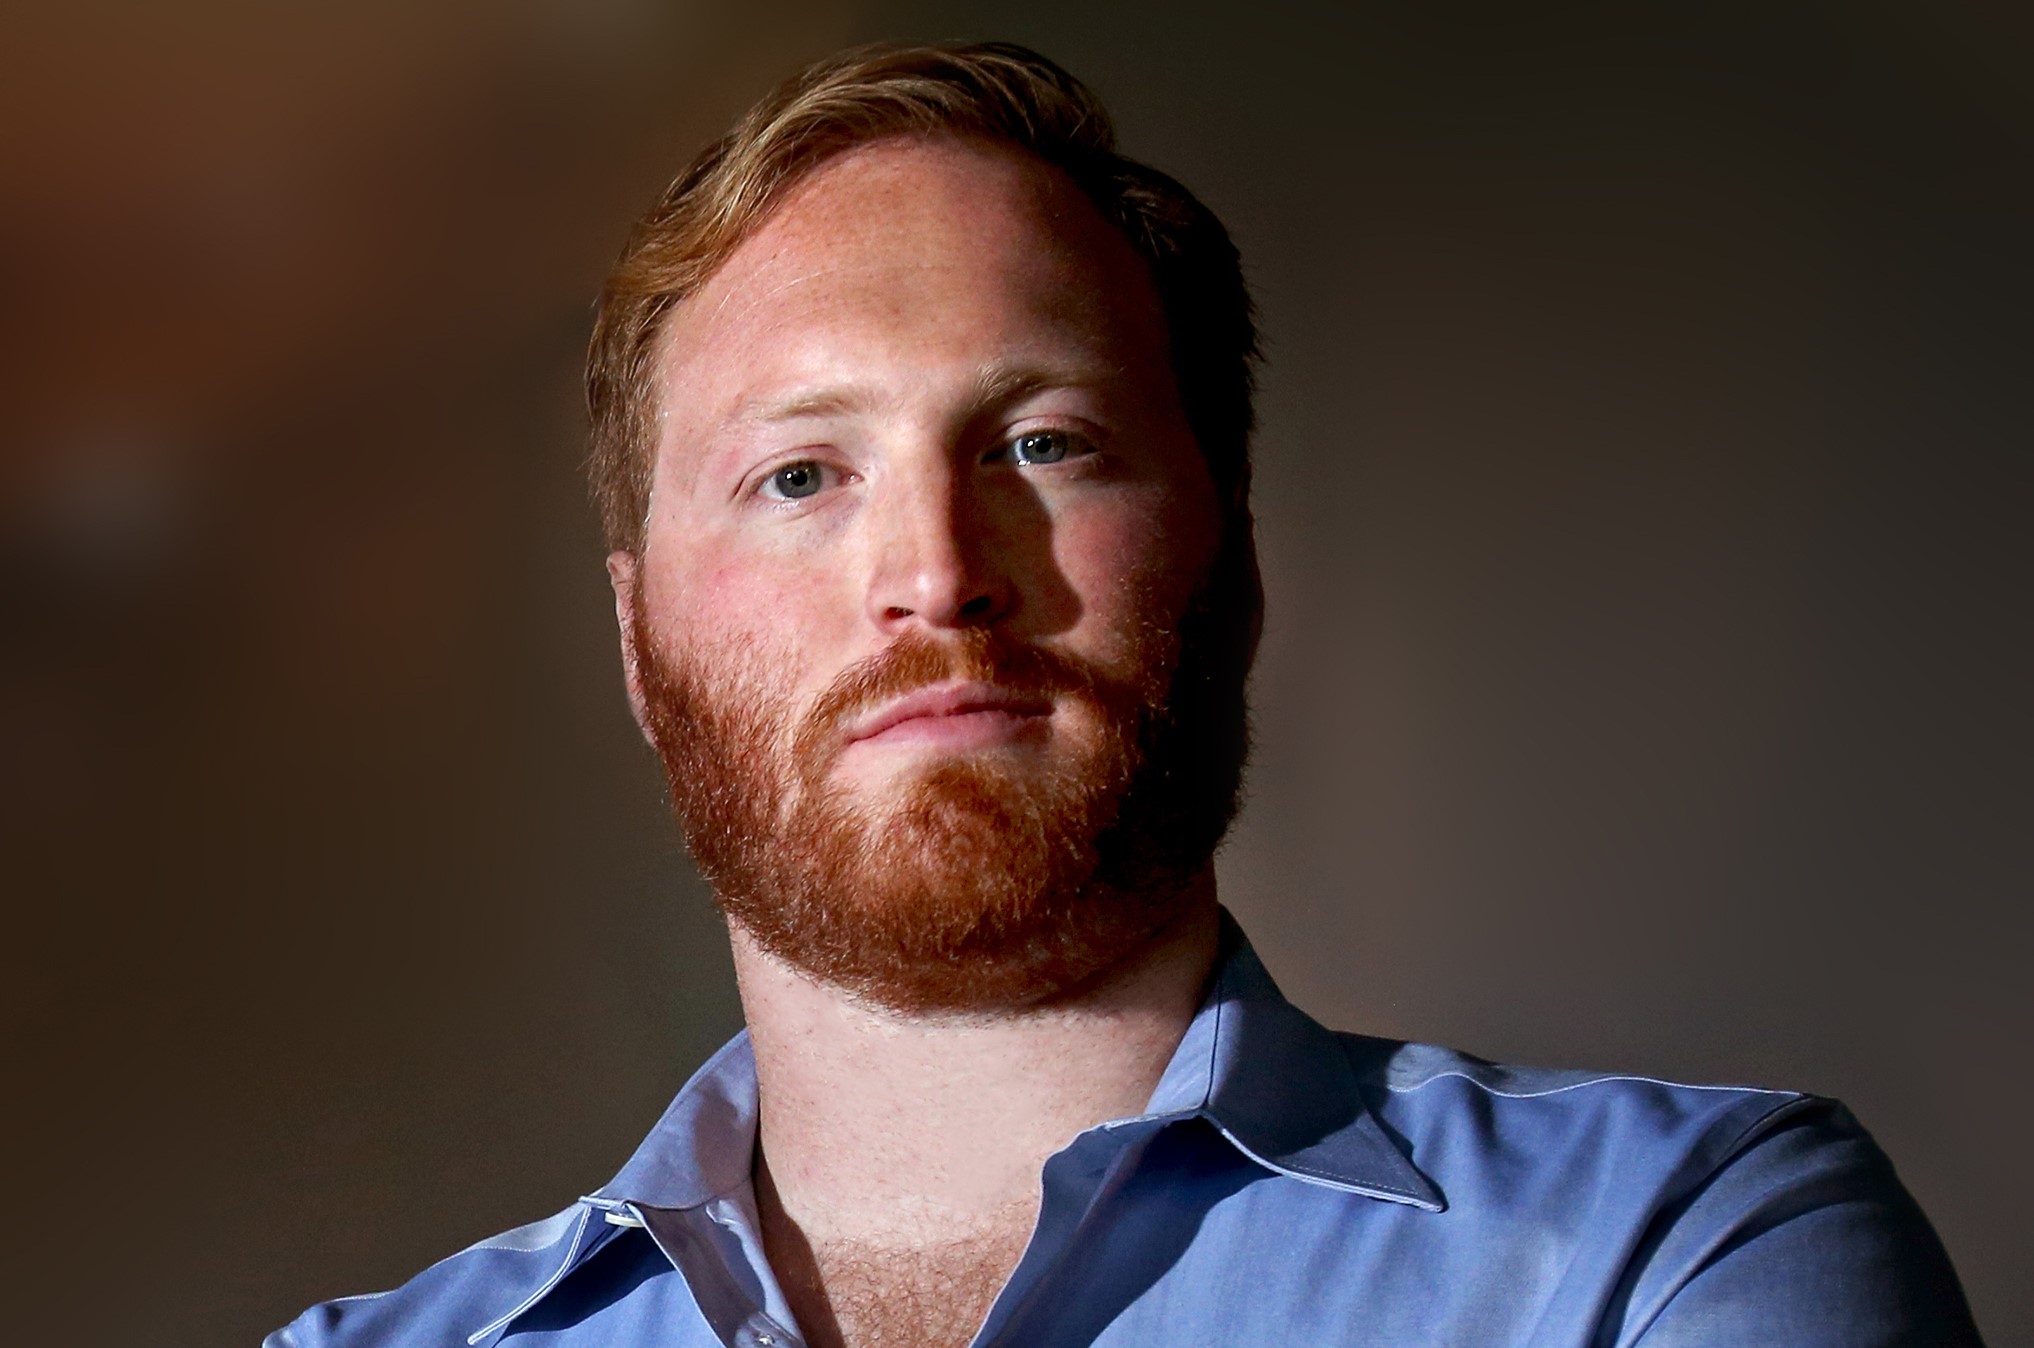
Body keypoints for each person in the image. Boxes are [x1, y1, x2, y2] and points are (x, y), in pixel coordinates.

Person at [268, 41, 1981, 1348]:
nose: (935, 571)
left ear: (1231, 566)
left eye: (1042, 443)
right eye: (801, 475)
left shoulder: (1672, 1249)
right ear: (638, 647)